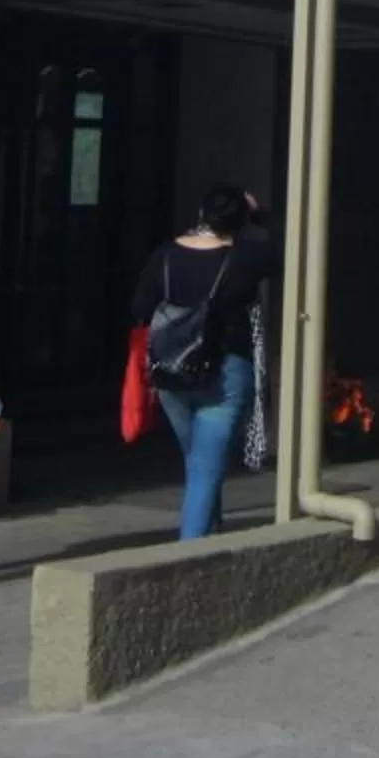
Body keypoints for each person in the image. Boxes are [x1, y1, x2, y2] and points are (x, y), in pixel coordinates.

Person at [131, 184, 277, 541]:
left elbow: (139, 309)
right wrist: (261, 217)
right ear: (241, 222)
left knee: (197, 462)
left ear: (200, 214)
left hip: (171, 373)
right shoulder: (246, 258)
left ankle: (208, 531)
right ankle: (188, 557)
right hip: (226, 373)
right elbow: (297, 249)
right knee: (204, 469)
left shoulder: (165, 255)